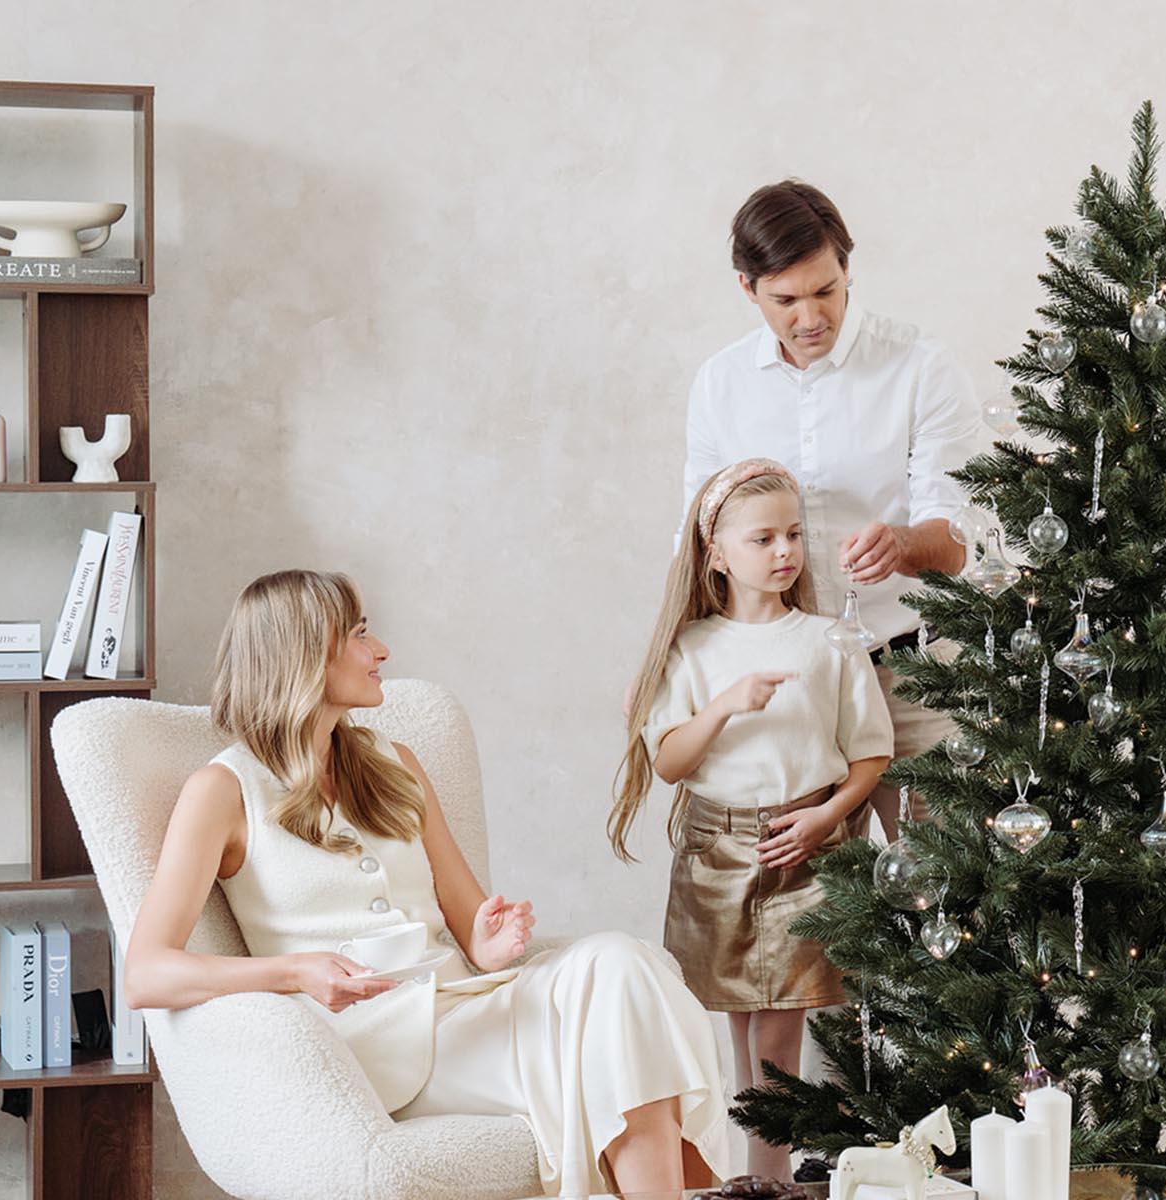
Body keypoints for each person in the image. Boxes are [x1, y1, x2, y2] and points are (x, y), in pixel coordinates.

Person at [124, 569, 727, 1197]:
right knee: (618, 1037)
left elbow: (468, 916)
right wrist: (295, 971)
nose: (380, 650)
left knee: (625, 963)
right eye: (359, 635)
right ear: (302, 655)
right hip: (374, 1049)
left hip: (469, 1005)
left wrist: (489, 941)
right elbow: (146, 974)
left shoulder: (396, 762)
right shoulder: (223, 791)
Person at [613, 458, 893, 1180]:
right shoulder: (691, 649)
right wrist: (725, 704)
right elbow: (670, 761)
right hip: (716, 852)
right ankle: (758, 1171)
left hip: (803, 850)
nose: (785, 553)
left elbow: (869, 755)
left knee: (776, 1022)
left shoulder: (830, 640)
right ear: (716, 554)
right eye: (763, 539)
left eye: (794, 535)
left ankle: (765, 1179)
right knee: (741, 1020)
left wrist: (826, 818)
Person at [679, 179, 983, 840]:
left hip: (913, 672)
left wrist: (904, 544)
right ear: (747, 288)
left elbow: (961, 536)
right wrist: (665, 667)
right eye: (785, 300)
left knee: (950, 892)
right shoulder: (720, 385)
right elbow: (700, 542)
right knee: (806, 918)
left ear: (848, 268)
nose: (811, 318)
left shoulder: (920, 366)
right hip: (784, 687)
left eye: (827, 291)